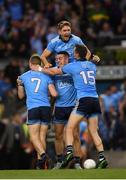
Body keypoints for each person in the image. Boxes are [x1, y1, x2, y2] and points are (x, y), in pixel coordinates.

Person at [37, 44, 108, 169]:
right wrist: (94, 59)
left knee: (69, 129)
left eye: (74, 52)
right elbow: (88, 63)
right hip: (95, 100)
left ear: (75, 55)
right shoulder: (92, 66)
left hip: (83, 100)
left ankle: (69, 153)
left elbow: (55, 71)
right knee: (93, 131)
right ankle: (102, 158)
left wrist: (40, 69)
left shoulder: (71, 67)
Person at [17, 54, 57, 169]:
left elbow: (20, 96)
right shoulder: (46, 76)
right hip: (46, 108)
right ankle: (41, 165)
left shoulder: (23, 77)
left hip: (33, 108)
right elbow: (54, 94)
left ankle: (43, 156)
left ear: (30, 64)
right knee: (42, 136)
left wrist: (19, 85)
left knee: (33, 137)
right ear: (39, 64)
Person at [52, 51, 82, 169]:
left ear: (66, 59)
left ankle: (77, 163)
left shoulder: (74, 69)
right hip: (59, 107)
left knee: (75, 135)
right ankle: (59, 161)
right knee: (58, 136)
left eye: (59, 58)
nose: (57, 60)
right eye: (56, 59)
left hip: (73, 107)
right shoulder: (53, 71)